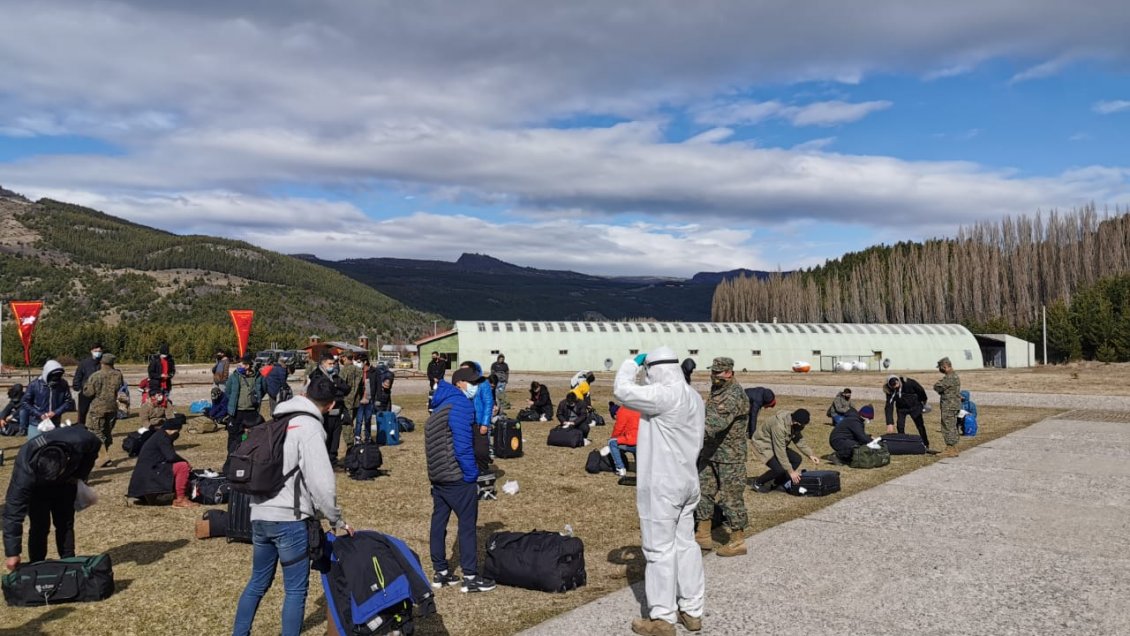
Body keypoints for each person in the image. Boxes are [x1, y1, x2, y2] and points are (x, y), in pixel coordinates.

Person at [232, 376, 354, 636]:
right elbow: (322, 484)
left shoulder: (277, 420)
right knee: (295, 590)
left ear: (305, 392)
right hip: (289, 519)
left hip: (260, 514)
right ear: (331, 405)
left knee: (257, 582)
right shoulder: (308, 427)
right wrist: (336, 519)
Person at [613, 347, 705, 636]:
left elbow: (622, 390)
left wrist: (631, 363)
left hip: (663, 485)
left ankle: (662, 618)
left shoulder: (664, 395)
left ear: (654, 371)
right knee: (686, 545)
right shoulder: (693, 396)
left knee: (658, 550)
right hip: (688, 480)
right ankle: (692, 610)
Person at [425, 366, 495, 593]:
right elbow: (463, 445)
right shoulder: (461, 405)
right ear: (459, 384)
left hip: (438, 477)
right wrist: (471, 474)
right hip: (457, 476)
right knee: (466, 526)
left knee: (439, 523)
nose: (475, 387)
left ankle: (441, 571)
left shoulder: (438, 407)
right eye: (471, 383)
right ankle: (471, 577)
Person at [4, 425, 101, 571]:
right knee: (39, 526)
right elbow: (13, 512)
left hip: (66, 482)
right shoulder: (25, 469)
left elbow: (95, 446)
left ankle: (69, 563)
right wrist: (13, 553)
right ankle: (37, 566)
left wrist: (79, 475)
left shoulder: (81, 440)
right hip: (38, 488)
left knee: (65, 524)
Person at [694, 357, 751, 557]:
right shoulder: (717, 390)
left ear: (729, 373)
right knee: (703, 491)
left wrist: (685, 436)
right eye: (713, 372)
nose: (714, 376)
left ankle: (737, 541)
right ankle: (702, 535)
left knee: (731, 498)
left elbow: (713, 425)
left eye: (718, 373)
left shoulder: (734, 395)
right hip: (710, 453)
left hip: (730, 456)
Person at [126, 416, 196, 508]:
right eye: (177, 431)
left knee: (177, 465)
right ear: (171, 430)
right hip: (150, 475)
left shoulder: (159, 435)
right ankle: (181, 499)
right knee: (182, 466)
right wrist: (185, 461)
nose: (177, 434)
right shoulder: (163, 438)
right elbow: (171, 456)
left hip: (145, 480)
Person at [751, 408, 820, 494]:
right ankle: (758, 482)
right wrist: (791, 472)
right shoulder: (779, 426)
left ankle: (778, 483)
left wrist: (810, 454)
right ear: (796, 422)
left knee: (796, 459)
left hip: (776, 444)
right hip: (762, 444)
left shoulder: (793, 423)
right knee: (779, 469)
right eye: (802, 425)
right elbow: (780, 451)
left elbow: (798, 440)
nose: (803, 427)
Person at [306, 352, 349, 467]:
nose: (332, 366)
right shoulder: (316, 376)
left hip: (337, 410)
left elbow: (346, 389)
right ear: (323, 363)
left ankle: (333, 459)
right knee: (325, 436)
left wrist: (336, 382)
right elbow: (320, 393)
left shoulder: (334, 376)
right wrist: (335, 390)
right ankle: (323, 461)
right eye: (330, 364)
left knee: (335, 437)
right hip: (324, 412)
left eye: (333, 364)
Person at [82, 353, 125, 467]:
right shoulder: (118, 375)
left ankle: (103, 456)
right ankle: (103, 456)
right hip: (112, 407)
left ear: (102, 362)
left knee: (96, 431)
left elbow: (88, 393)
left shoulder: (96, 376)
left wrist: (85, 385)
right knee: (106, 432)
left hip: (98, 408)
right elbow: (119, 387)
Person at [225, 354, 264, 469]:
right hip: (236, 412)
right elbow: (228, 391)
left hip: (251, 412)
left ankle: (251, 463)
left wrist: (256, 400)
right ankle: (230, 463)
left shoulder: (258, 376)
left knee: (253, 437)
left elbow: (263, 389)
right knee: (233, 438)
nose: (239, 365)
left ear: (248, 365)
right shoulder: (234, 376)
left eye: (242, 363)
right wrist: (232, 405)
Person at [22, 359, 75, 437]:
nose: (56, 379)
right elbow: (25, 402)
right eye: (53, 377)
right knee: (35, 447)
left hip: (55, 423)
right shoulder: (34, 385)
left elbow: (68, 401)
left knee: (54, 448)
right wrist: (39, 414)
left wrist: (55, 412)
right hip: (36, 424)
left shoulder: (63, 384)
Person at [459, 361, 495, 470]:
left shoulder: (482, 383)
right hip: (465, 422)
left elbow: (488, 403)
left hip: (479, 422)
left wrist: (485, 423)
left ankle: (483, 469)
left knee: (481, 450)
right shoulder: (460, 383)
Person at [883, 375, 931, 450]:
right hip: (901, 409)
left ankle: (925, 443)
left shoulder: (909, 383)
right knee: (900, 425)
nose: (896, 387)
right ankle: (902, 444)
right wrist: (889, 423)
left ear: (898, 381)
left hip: (915, 406)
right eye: (893, 386)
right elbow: (889, 406)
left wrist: (924, 401)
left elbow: (921, 390)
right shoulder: (889, 390)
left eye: (896, 384)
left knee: (920, 426)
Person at [934, 357, 962, 458]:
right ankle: (953, 448)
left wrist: (938, 387)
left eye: (941, 367)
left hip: (949, 406)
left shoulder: (950, 377)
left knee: (947, 426)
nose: (940, 370)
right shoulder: (954, 376)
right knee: (952, 426)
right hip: (953, 405)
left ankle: (950, 448)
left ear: (945, 367)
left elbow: (937, 386)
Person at [71, 342, 103, 427]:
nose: (98, 352)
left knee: (99, 412)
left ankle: (97, 428)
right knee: (82, 412)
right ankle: (81, 427)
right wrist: (78, 387)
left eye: (99, 351)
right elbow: (78, 376)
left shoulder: (103, 363)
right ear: (91, 351)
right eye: (96, 351)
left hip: (100, 393)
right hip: (85, 391)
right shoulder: (84, 363)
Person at [608, 404, 640, 477]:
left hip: (634, 442)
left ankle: (620, 468)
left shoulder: (623, 410)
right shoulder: (639, 406)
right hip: (645, 441)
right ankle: (639, 468)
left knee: (612, 443)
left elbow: (618, 429)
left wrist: (613, 438)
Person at [338, 352, 364, 444]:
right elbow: (362, 387)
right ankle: (354, 441)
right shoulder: (359, 370)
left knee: (347, 424)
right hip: (356, 401)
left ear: (345, 358)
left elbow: (340, 386)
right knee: (353, 422)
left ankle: (350, 445)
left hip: (346, 402)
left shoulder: (344, 371)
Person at [354, 357, 375, 444]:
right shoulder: (358, 372)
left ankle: (368, 437)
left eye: (359, 362)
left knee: (368, 419)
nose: (358, 363)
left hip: (369, 400)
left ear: (365, 361)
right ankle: (357, 437)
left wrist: (376, 398)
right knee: (359, 420)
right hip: (360, 400)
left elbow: (376, 385)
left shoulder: (374, 372)